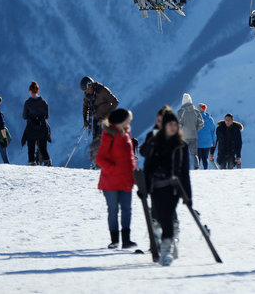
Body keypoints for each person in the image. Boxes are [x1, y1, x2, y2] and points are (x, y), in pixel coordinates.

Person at [143, 109, 191, 266]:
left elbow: (184, 172)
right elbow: (148, 166)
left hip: (173, 187)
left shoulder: (181, 145)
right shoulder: (155, 142)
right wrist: (144, 186)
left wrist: (187, 195)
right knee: (160, 216)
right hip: (156, 186)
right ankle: (166, 244)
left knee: (168, 216)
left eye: (175, 124)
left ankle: (166, 251)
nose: (173, 127)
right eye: (170, 124)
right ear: (164, 126)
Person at [95, 108, 138, 250]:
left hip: (125, 179)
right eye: (128, 119)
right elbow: (100, 158)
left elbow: (130, 156)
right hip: (111, 181)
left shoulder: (126, 133)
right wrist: (114, 169)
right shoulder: (109, 135)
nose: (129, 122)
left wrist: (134, 172)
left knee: (126, 209)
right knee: (113, 210)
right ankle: (114, 240)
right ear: (121, 120)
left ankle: (126, 240)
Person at [81, 76, 120, 158]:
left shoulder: (102, 90)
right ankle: (97, 161)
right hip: (96, 118)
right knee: (96, 140)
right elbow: (85, 107)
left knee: (103, 139)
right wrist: (85, 120)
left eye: (88, 89)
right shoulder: (87, 95)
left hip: (106, 119)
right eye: (85, 91)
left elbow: (115, 102)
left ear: (91, 85)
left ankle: (105, 160)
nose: (87, 92)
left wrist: (108, 114)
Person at [21, 81, 51, 166]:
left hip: (31, 128)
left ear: (30, 90)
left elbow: (24, 116)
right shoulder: (44, 102)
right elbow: (47, 116)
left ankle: (32, 163)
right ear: (38, 90)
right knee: (43, 148)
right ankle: (48, 163)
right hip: (42, 128)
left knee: (31, 147)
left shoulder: (28, 103)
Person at [177, 93, 204, 169]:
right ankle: (196, 167)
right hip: (193, 135)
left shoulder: (180, 112)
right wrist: (195, 129)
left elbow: (178, 124)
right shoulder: (196, 111)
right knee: (194, 154)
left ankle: (182, 167)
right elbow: (201, 123)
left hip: (183, 136)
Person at [197, 103, 217, 169]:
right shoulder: (210, 119)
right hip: (207, 142)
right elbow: (213, 132)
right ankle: (206, 170)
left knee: (198, 159)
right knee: (205, 158)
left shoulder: (195, 118)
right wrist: (214, 142)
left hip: (198, 142)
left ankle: (197, 171)